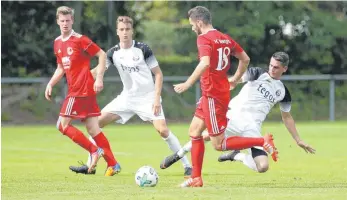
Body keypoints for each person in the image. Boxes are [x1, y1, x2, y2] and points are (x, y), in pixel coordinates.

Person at [69, 16, 192, 177]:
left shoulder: (143, 49)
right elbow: (97, 71)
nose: (125, 32)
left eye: (127, 29)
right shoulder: (113, 53)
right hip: (127, 98)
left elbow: (159, 75)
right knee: (95, 124)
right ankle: (90, 166)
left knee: (162, 130)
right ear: (117, 32)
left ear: (132, 31)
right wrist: (79, 78)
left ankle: (187, 165)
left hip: (148, 97)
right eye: (121, 29)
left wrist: (156, 99)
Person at [171, 6, 279, 188]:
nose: (192, 28)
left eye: (192, 25)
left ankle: (262, 141)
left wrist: (187, 83)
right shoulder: (224, 38)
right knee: (194, 132)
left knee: (219, 144)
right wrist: (235, 79)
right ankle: (196, 178)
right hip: (212, 94)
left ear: (199, 22)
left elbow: (204, 62)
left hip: (213, 96)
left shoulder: (203, 38)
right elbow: (245, 59)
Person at [161, 52, 316, 174]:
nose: (271, 69)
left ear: (284, 69)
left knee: (262, 167)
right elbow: (235, 80)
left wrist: (298, 140)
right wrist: (219, 88)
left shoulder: (283, 92)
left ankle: (236, 156)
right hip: (233, 115)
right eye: (271, 65)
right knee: (207, 136)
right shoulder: (258, 73)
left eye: (276, 67)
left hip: (252, 128)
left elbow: (287, 118)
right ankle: (178, 155)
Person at [45, 6, 119, 176]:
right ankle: (113, 164)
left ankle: (94, 150)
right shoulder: (57, 42)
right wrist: (51, 83)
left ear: (73, 21)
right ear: (57, 21)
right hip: (81, 90)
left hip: (80, 90)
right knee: (93, 129)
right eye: (62, 21)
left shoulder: (80, 40)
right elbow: (60, 67)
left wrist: (99, 78)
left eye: (68, 20)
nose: (65, 24)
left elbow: (101, 55)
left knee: (62, 125)